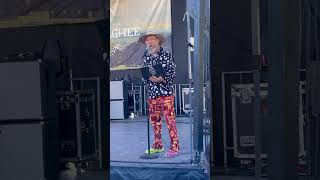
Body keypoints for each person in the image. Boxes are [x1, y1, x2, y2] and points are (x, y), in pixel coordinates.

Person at [139, 32, 180, 158]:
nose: (149, 42)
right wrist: (148, 79)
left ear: (158, 41)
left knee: (170, 120)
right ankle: (158, 145)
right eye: (147, 40)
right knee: (155, 121)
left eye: (152, 39)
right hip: (152, 93)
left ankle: (175, 147)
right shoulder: (146, 57)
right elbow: (144, 76)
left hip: (165, 93)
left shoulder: (166, 55)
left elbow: (172, 74)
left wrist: (162, 79)